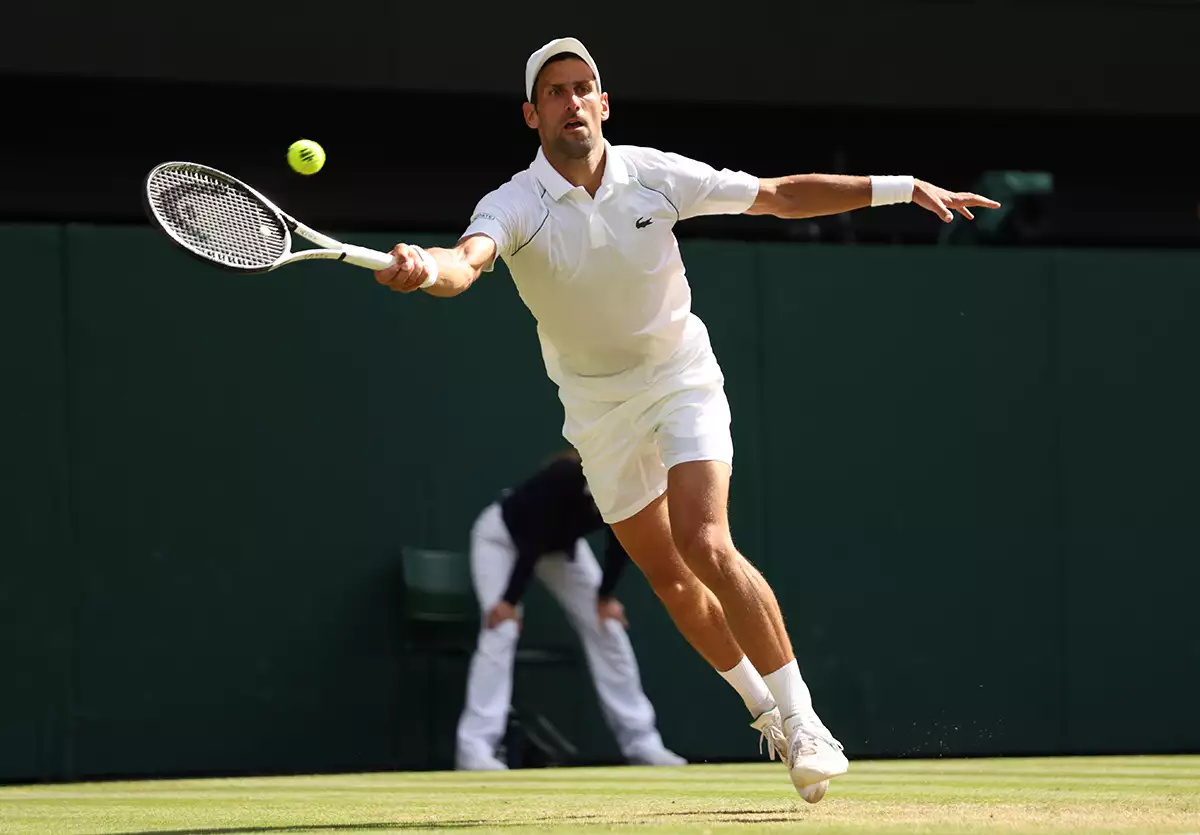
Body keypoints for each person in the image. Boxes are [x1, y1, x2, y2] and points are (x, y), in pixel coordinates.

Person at [375, 37, 1000, 801]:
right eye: (558, 93)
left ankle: (805, 721)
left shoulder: (656, 175)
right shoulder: (513, 204)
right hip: (597, 412)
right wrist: (426, 267)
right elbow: (466, 262)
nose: (574, 102)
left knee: (705, 542)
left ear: (604, 104)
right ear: (533, 115)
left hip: (680, 379)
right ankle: (764, 710)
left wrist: (899, 187)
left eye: (586, 88)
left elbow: (776, 194)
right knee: (669, 578)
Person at [455, 448, 686, 771]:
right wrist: (508, 602)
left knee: (609, 627)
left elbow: (621, 542)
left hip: (559, 550)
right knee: (501, 629)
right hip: (503, 539)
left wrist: (604, 598)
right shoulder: (563, 476)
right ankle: (475, 749)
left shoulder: (628, 486)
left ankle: (642, 742)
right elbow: (532, 539)